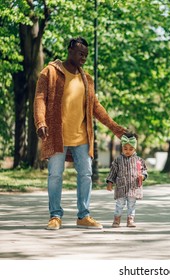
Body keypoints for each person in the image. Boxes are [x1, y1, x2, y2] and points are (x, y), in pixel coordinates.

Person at [34, 36, 127, 230]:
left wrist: (117, 129)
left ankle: (83, 215)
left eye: (86, 54)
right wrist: (40, 121)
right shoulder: (50, 72)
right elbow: (40, 98)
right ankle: (55, 216)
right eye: (80, 53)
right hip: (58, 135)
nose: (83, 57)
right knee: (55, 175)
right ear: (70, 51)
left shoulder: (87, 79)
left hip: (82, 137)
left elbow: (96, 107)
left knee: (85, 174)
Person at [106, 132, 148, 228]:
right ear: (122, 148)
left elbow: (144, 170)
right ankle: (117, 219)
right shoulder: (118, 160)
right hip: (121, 187)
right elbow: (113, 172)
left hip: (133, 187)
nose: (127, 151)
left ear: (135, 148)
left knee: (131, 204)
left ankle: (130, 220)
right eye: (125, 148)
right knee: (119, 204)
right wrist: (110, 182)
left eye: (130, 149)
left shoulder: (139, 160)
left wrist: (143, 176)